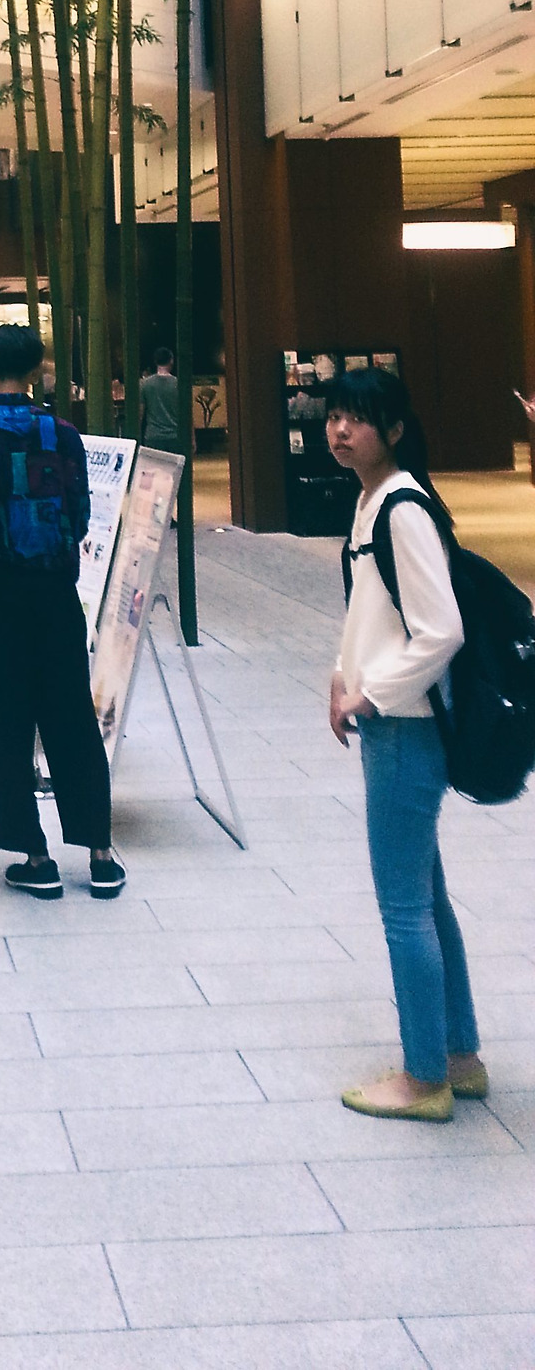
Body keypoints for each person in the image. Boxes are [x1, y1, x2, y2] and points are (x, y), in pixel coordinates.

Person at [325, 367, 485, 1122]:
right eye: (334, 415)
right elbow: (373, 608)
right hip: (393, 718)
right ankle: (458, 1055)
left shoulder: (402, 507)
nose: (340, 429)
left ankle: (425, 1077)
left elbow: (441, 630)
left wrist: (373, 692)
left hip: (404, 728)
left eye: (358, 418)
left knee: (403, 907)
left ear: (393, 429)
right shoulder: (371, 500)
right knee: (426, 898)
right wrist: (340, 675)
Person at [0, 322, 123, 902]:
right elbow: (80, 513)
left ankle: (36, 857)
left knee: (7, 721)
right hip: (54, 592)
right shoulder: (63, 435)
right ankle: (100, 855)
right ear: (37, 368)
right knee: (71, 716)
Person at [138, 348, 179, 451]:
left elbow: (140, 413)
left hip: (153, 436)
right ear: (171, 361)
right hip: (174, 436)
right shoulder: (178, 384)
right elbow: (187, 413)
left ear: (155, 362)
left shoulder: (145, 384)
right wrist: (192, 438)